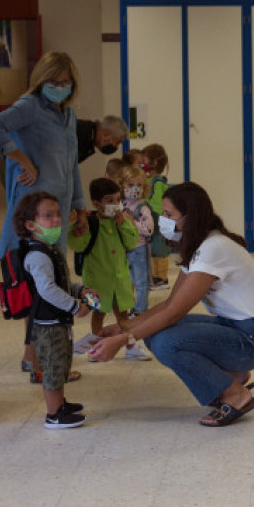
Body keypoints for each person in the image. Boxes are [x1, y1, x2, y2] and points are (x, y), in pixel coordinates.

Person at [88, 182, 254, 427]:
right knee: (153, 332)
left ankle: (235, 395)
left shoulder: (212, 248)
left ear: (191, 217)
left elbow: (174, 313)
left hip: (253, 339)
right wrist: (124, 326)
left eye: (169, 215)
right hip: (236, 327)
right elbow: (169, 303)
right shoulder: (201, 244)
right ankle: (231, 377)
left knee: (167, 343)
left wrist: (124, 340)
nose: (163, 221)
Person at [0, 51, 88, 375]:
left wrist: (79, 206)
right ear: (42, 81)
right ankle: (42, 359)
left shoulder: (67, 115)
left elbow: (71, 167)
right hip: (34, 216)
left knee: (54, 279)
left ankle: (36, 355)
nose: (60, 87)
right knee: (39, 286)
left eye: (66, 82)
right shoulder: (29, 106)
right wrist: (20, 159)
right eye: (54, 82)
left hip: (58, 214)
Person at [13, 191, 95, 428]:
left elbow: (61, 283)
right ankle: (54, 415)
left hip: (57, 322)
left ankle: (60, 403)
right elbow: (47, 290)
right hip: (47, 324)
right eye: (47, 216)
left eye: (58, 214)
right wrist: (74, 306)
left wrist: (81, 290)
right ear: (31, 225)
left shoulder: (49, 248)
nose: (57, 220)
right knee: (52, 367)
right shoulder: (37, 256)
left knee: (60, 365)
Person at [69, 178, 150, 361]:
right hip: (96, 281)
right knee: (97, 313)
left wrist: (124, 224)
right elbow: (78, 245)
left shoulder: (122, 221)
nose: (115, 204)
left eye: (117, 199)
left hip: (120, 279)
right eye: (109, 201)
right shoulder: (90, 223)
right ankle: (97, 348)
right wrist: (75, 231)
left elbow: (131, 242)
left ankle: (130, 346)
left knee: (124, 314)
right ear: (97, 204)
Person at [120, 165, 155, 316]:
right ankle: (129, 308)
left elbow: (149, 229)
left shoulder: (143, 207)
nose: (135, 188)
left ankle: (140, 310)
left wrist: (133, 222)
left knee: (141, 282)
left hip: (139, 250)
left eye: (139, 185)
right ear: (123, 186)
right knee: (126, 282)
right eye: (131, 185)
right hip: (124, 249)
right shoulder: (122, 204)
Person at [140, 144, 171, 289]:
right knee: (153, 250)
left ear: (154, 163)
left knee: (161, 250)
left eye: (144, 160)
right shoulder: (147, 180)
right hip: (150, 221)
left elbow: (158, 205)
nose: (141, 163)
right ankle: (155, 275)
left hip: (158, 222)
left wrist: (157, 221)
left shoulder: (157, 182)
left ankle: (162, 278)